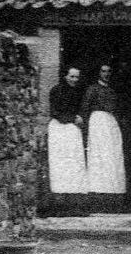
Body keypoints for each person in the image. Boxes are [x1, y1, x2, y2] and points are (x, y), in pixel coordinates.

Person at [81, 63, 126, 194]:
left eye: (108, 71)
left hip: (110, 123)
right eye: (103, 71)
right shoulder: (92, 89)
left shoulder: (112, 91)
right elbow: (85, 107)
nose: (106, 74)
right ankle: (97, 189)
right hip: (98, 123)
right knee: (98, 154)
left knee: (111, 155)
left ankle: (112, 190)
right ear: (99, 73)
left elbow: (116, 108)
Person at [47, 66, 87, 193]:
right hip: (59, 128)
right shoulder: (56, 90)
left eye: (77, 77)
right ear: (65, 76)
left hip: (72, 129)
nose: (74, 80)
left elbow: (81, 110)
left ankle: (74, 196)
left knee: (74, 162)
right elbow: (55, 112)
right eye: (72, 76)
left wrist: (80, 117)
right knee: (60, 162)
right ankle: (59, 196)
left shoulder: (78, 92)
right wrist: (72, 119)